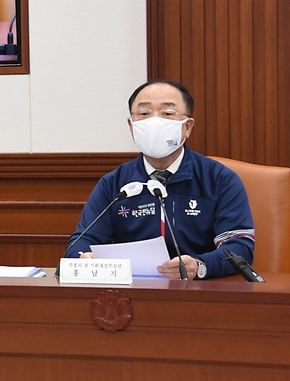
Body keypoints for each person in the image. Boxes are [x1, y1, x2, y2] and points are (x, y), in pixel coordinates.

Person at [65, 80, 254, 279]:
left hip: (202, 293)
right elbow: (82, 241)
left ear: (187, 127)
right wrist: (83, 258)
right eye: (144, 114)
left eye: (167, 114)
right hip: (134, 295)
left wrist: (200, 266)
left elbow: (239, 246)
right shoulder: (114, 184)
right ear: (131, 126)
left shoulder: (220, 180)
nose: (154, 121)